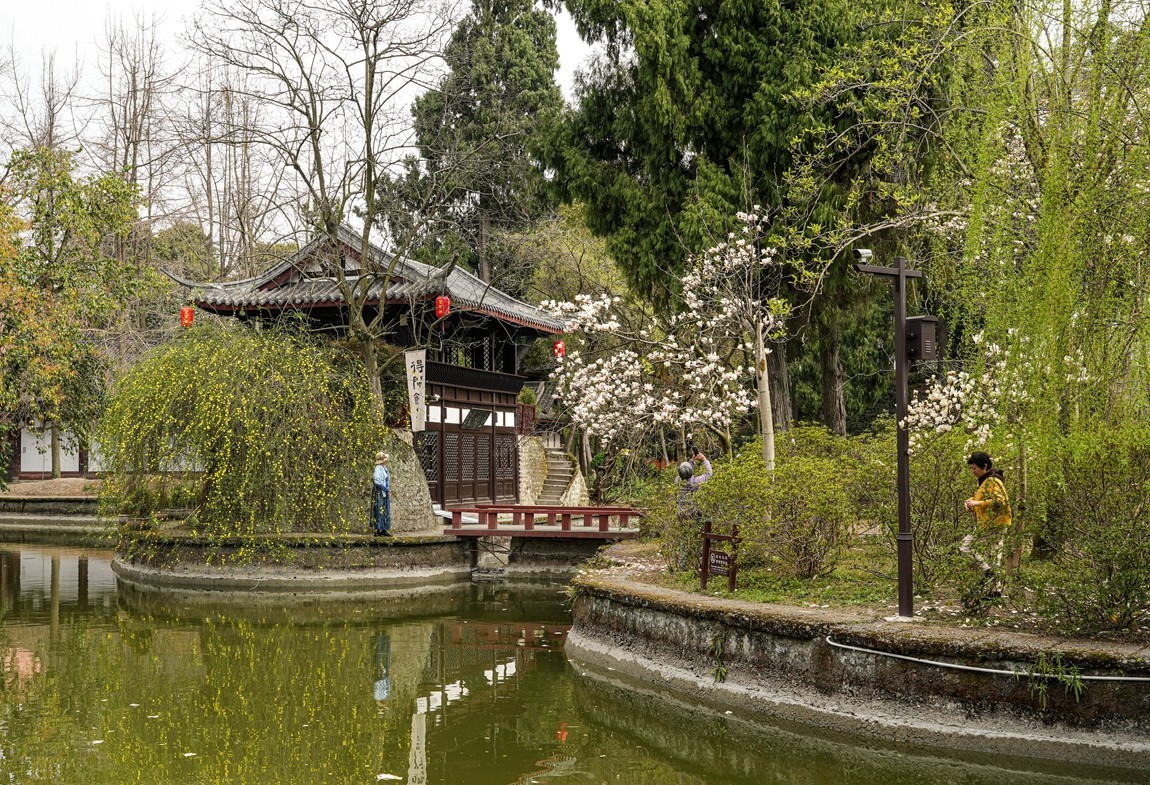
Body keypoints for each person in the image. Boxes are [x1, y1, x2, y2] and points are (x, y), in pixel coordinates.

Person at [961, 451, 1011, 597]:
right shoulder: (986, 480)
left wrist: (977, 503)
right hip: (988, 523)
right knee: (994, 554)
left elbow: (999, 501)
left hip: (995, 523)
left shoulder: (993, 481)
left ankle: (990, 575)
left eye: (974, 468)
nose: (973, 471)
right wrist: (970, 502)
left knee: (966, 547)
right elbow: (982, 498)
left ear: (984, 466)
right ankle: (996, 588)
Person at [372, 451, 392, 536]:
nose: (385, 460)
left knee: (384, 510)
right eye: (384, 458)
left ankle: (383, 529)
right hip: (379, 492)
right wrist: (386, 490)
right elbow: (377, 482)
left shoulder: (384, 468)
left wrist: (388, 490)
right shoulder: (378, 468)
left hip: (384, 491)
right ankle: (378, 530)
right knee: (379, 510)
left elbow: (386, 481)